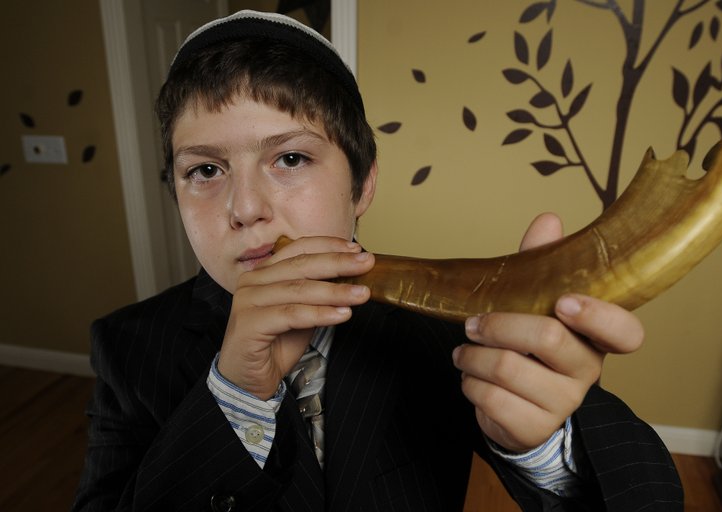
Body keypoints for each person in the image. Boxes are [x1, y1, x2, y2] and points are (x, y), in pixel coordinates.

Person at [73, 10, 682, 512]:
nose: (245, 208)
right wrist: (235, 392)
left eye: (289, 159)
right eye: (204, 170)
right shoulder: (127, 347)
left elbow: (647, 496)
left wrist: (550, 445)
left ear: (362, 186)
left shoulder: (448, 328)